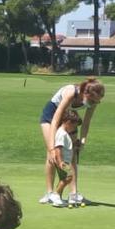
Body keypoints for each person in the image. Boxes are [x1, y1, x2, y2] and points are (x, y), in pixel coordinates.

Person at [38, 78, 103, 206]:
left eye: (97, 101)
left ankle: (73, 194)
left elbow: (86, 122)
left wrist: (83, 140)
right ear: (85, 93)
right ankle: (50, 193)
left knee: (72, 153)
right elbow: (56, 120)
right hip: (51, 117)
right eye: (92, 100)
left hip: (68, 119)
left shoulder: (93, 101)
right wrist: (52, 148)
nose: (94, 103)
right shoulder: (70, 92)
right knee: (53, 155)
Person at [52, 111, 82, 207]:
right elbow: (58, 148)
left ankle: (58, 198)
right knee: (69, 177)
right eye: (73, 126)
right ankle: (55, 195)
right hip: (62, 161)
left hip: (65, 161)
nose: (73, 129)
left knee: (64, 178)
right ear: (68, 122)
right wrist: (60, 161)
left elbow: (66, 146)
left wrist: (74, 144)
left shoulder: (64, 133)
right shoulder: (62, 134)